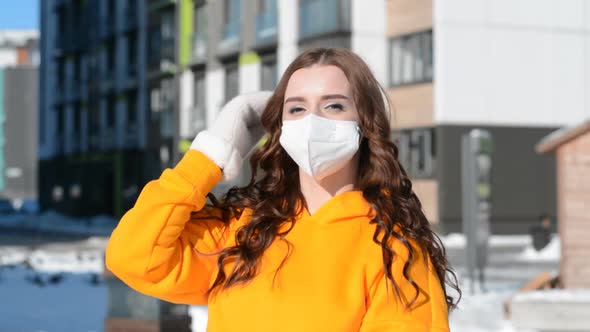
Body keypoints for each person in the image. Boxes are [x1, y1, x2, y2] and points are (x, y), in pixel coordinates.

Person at [106, 48, 460, 331]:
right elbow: (134, 258)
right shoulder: (245, 230)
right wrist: (210, 153)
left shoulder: (393, 248)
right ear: (279, 125)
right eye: (297, 108)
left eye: (333, 105)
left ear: (365, 123)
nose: (312, 120)